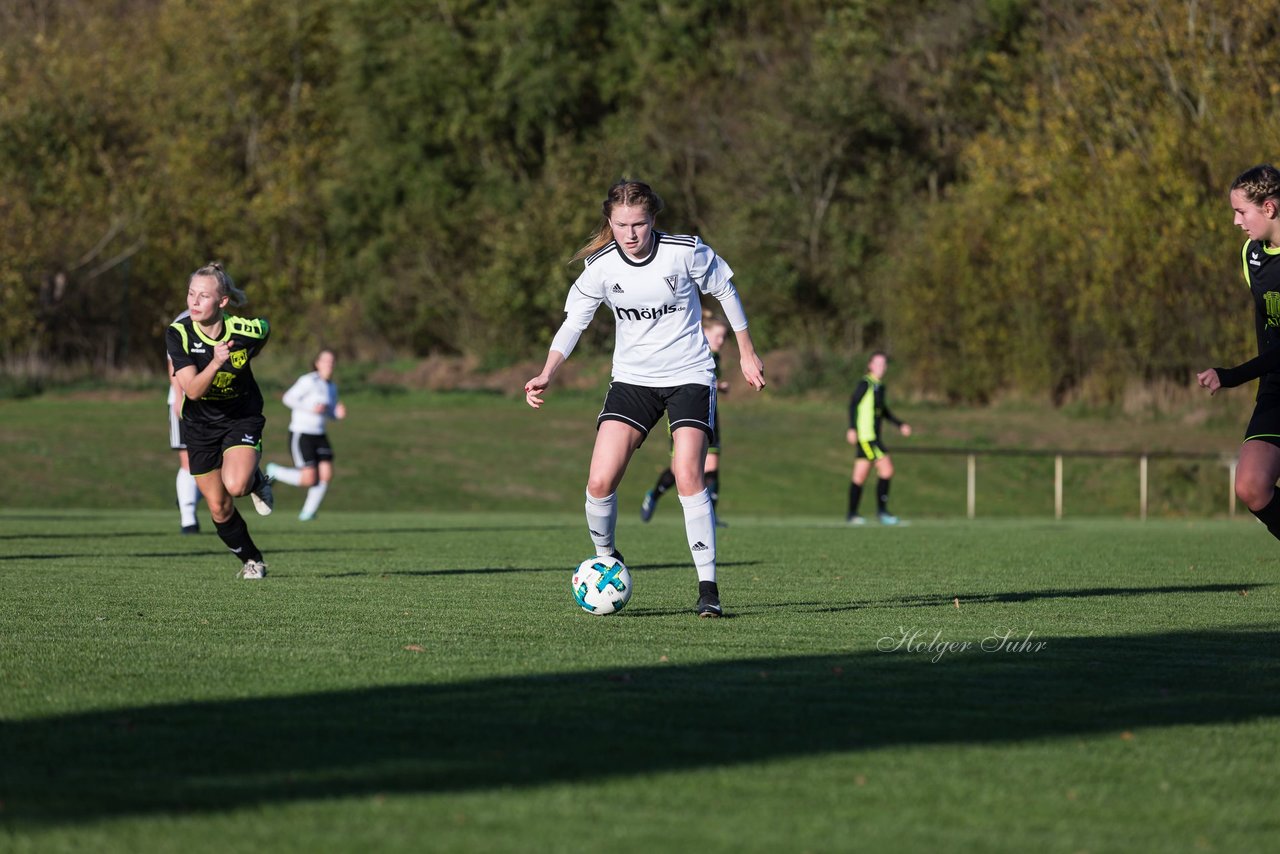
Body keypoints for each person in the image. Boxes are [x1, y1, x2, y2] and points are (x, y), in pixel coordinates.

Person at [524, 179, 766, 617]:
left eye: (639, 224)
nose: (631, 234)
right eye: (621, 225)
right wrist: (546, 372)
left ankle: (707, 588)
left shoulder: (684, 251)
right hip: (633, 381)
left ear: (653, 219)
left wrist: (747, 351)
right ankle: (607, 559)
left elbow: (725, 290)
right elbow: (573, 324)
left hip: (690, 375)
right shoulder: (600, 267)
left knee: (687, 471)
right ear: (610, 223)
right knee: (599, 482)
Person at [165, 262, 275, 579]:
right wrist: (215, 362)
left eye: (203, 296)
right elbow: (193, 390)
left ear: (222, 302)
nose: (194, 302)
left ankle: (255, 481)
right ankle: (253, 561)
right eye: (190, 294)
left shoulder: (243, 330)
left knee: (237, 485)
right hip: (199, 426)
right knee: (218, 507)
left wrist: (246, 355)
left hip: (241, 417)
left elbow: (264, 329)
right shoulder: (179, 333)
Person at [1198, 163, 1280, 544]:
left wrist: (1229, 376)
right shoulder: (1253, 255)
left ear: (1269, 208)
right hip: (1275, 386)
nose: (1235, 221)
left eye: (1241, 211)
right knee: (1250, 485)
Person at [641, 315, 731, 524]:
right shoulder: (690, 349)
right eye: (718, 335)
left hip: (710, 416)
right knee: (679, 471)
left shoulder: (715, 357)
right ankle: (653, 495)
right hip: (685, 415)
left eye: (724, 337)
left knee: (712, 468)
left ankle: (709, 516)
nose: (721, 341)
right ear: (704, 332)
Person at [266, 349, 347, 521]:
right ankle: (274, 471)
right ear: (317, 363)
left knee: (326, 474)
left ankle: (308, 513)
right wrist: (311, 408)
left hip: (320, 434)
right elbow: (288, 398)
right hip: (302, 433)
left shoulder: (331, 387)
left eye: (332, 361)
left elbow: (328, 413)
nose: (329, 364)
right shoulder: (309, 380)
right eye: (325, 361)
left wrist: (336, 414)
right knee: (310, 479)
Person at [846, 350, 911, 525]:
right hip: (867, 437)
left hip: (872, 437)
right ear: (870, 365)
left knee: (859, 476)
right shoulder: (865, 384)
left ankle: (852, 515)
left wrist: (900, 424)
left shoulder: (880, 387)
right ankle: (881, 513)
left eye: (884, 364)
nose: (882, 367)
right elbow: (853, 404)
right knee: (886, 469)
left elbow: (884, 412)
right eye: (878, 363)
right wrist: (852, 428)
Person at [167, 311, 201, 533]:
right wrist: (180, 398)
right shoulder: (182, 323)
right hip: (186, 401)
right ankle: (188, 518)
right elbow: (174, 365)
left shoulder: (227, 320)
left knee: (213, 461)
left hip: (215, 403)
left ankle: (188, 497)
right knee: (188, 460)